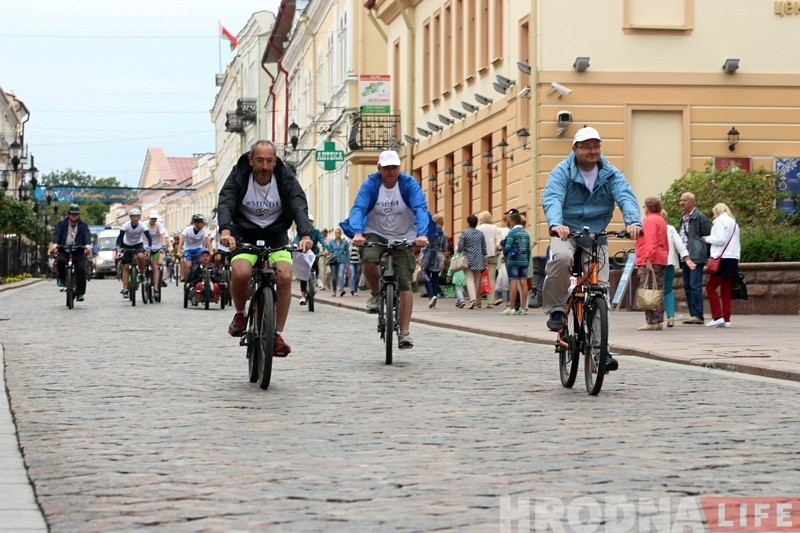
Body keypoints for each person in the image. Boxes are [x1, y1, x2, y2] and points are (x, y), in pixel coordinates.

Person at [541, 127, 642, 371]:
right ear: (574, 149)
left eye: (596, 146)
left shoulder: (610, 173)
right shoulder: (562, 172)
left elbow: (625, 196)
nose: (592, 151)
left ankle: (600, 350)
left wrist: (633, 222)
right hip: (566, 231)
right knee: (561, 258)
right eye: (586, 147)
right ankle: (557, 310)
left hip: (596, 234)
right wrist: (556, 224)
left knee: (601, 290)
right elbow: (552, 198)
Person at [216, 140, 313, 357]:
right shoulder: (239, 175)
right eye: (260, 161)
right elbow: (227, 201)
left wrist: (305, 234)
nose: (265, 167)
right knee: (241, 272)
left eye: (269, 161)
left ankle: (277, 335)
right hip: (244, 233)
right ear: (251, 160)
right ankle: (240, 314)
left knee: (285, 276)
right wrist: (225, 231)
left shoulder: (285, 178)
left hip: (275, 234)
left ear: (275, 161)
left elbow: (298, 204)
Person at [341, 149, 433, 350]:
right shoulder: (371, 184)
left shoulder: (408, 184)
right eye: (387, 168)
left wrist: (422, 234)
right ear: (379, 169)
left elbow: (420, 208)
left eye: (395, 167)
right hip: (375, 232)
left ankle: (405, 332)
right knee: (369, 258)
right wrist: (358, 233)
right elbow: (359, 208)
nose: (391, 171)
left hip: (404, 234)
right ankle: (375, 293)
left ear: (399, 168)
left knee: (405, 281)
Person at [702, 203, 740, 328]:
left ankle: (717, 317)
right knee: (726, 290)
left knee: (710, 287)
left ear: (716, 211)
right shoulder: (734, 223)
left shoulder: (719, 221)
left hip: (721, 258)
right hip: (733, 258)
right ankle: (726, 319)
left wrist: (707, 239)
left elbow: (720, 240)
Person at [634, 197, 669, 330]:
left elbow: (650, 240)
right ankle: (658, 320)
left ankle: (651, 321)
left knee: (648, 290)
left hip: (650, 259)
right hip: (661, 258)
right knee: (657, 290)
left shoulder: (649, 220)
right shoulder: (661, 219)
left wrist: (648, 258)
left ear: (648, 208)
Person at [677, 192, 712, 324]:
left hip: (696, 257)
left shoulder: (700, 217)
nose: (681, 203)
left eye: (684, 200)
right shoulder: (683, 218)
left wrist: (707, 255)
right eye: (681, 200)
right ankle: (693, 314)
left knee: (695, 285)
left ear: (692, 202)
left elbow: (708, 236)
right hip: (685, 257)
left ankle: (698, 315)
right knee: (687, 286)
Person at [48, 203, 93, 302]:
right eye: (72, 214)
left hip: (78, 251)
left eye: (76, 214)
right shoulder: (61, 224)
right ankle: (62, 279)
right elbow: (56, 234)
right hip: (64, 250)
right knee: (60, 261)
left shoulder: (83, 225)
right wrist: (55, 243)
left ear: (79, 215)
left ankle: (80, 293)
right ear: (68, 214)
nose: (74, 216)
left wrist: (87, 244)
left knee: (81, 269)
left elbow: (87, 235)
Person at [663, 209, 695, 327]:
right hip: (669, 263)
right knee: (668, 290)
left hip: (656, 263)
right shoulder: (670, 229)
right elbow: (679, 244)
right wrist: (686, 258)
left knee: (655, 290)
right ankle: (670, 316)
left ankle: (655, 318)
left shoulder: (650, 227)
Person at [116, 208, 152, 299]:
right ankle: (125, 289)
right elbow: (120, 237)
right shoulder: (126, 225)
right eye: (133, 217)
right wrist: (118, 247)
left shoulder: (142, 225)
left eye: (137, 217)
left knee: (141, 256)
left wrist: (149, 247)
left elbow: (149, 237)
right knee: (125, 267)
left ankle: (141, 274)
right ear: (130, 218)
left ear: (139, 217)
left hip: (138, 244)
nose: (135, 218)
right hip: (127, 245)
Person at [500, 211, 532, 315]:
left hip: (513, 261)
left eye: (509, 221)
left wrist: (504, 250)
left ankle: (511, 308)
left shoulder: (512, 232)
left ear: (513, 221)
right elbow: (528, 249)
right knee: (524, 283)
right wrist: (527, 259)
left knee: (513, 283)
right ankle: (523, 308)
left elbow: (507, 247)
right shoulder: (525, 233)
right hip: (524, 260)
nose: (508, 223)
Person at [293, 215, 325, 305]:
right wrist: (294, 246)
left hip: (314, 252)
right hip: (304, 253)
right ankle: (303, 296)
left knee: (315, 263)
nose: (309, 222)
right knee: (303, 274)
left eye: (311, 221)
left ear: (312, 222)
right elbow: (296, 240)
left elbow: (322, 240)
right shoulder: (301, 231)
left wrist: (326, 248)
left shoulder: (316, 231)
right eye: (308, 221)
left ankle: (317, 279)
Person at [458, 213, 487, 309]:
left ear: (468, 223)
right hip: (479, 258)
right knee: (477, 280)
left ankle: (473, 299)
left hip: (468, 258)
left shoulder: (465, 233)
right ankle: (476, 298)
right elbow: (484, 247)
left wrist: (462, 251)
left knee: (469, 279)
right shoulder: (480, 234)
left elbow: (460, 246)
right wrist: (485, 259)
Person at [420, 214, 448, 308]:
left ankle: (431, 295)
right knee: (435, 278)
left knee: (426, 276)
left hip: (427, 256)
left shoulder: (428, 232)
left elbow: (423, 243)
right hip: (438, 258)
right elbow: (445, 248)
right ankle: (435, 296)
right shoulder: (444, 234)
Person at [177, 214, 212, 282]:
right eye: (202, 223)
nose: (203, 224)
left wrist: (211, 251)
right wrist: (179, 251)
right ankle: (188, 276)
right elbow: (181, 241)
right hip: (188, 249)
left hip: (198, 248)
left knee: (202, 260)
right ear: (196, 223)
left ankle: (204, 274)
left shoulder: (204, 231)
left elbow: (208, 242)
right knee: (188, 265)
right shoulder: (187, 230)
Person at [477, 211, 499, 307]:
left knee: (478, 279)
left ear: (481, 219)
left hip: (480, 256)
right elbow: (498, 241)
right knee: (491, 279)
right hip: (492, 255)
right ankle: (490, 302)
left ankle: (478, 301)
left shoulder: (478, 229)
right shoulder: (495, 228)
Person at [146, 210, 170, 297]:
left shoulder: (159, 225)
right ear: (149, 218)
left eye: (155, 219)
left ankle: (156, 288)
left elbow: (163, 236)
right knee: (144, 261)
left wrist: (163, 246)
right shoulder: (144, 225)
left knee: (155, 266)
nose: (154, 220)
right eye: (152, 218)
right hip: (146, 246)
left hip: (156, 248)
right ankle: (143, 275)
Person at [325, 227, 350, 297]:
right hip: (333, 260)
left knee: (341, 275)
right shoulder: (331, 242)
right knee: (334, 277)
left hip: (342, 260)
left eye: (338, 233)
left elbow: (347, 253)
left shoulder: (345, 242)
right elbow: (327, 248)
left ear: (340, 234)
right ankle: (334, 291)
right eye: (336, 233)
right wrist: (326, 252)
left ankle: (341, 290)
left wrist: (347, 262)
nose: (337, 234)